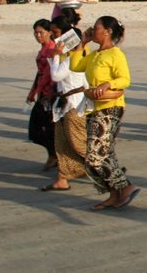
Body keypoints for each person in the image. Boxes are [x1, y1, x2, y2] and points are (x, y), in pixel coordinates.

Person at [65, 16, 139, 210]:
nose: (93, 30)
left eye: (96, 28)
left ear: (107, 31)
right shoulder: (96, 54)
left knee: (95, 156)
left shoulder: (116, 54)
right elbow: (75, 66)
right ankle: (115, 194)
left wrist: (108, 83)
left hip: (111, 107)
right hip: (95, 107)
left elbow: (125, 79)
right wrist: (82, 43)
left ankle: (124, 186)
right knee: (104, 153)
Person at [40, 17, 88, 191]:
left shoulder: (72, 58)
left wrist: (54, 57)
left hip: (74, 104)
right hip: (64, 103)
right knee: (62, 142)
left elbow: (56, 76)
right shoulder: (71, 57)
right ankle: (62, 178)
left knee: (77, 142)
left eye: (57, 35)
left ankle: (105, 168)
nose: (55, 39)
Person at [27, 18, 57, 169]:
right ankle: (53, 153)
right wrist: (33, 92)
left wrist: (43, 93)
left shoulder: (52, 49)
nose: (38, 35)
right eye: (36, 33)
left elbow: (50, 75)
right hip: (42, 92)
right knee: (40, 127)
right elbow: (39, 74)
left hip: (49, 94)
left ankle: (54, 154)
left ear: (49, 33)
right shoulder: (44, 49)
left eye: (41, 32)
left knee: (40, 127)